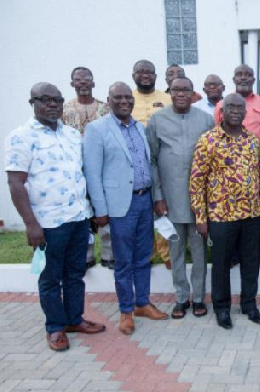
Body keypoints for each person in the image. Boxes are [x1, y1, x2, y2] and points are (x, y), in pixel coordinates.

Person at [6, 83, 105, 352]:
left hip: (77, 218)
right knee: (51, 278)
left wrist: (91, 213)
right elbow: (16, 183)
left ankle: (74, 319)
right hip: (48, 223)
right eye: (45, 99)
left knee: (75, 273)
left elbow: (82, 174)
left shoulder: (72, 135)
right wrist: (30, 224)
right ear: (33, 102)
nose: (52, 104)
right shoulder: (22, 136)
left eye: (57, 100)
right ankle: (55, 328)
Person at [84, 82, 168, 335]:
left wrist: (155, 198)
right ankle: (125, 311)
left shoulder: (139, 128)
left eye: (127, 97)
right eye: (117, 97)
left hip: (144, 200)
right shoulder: (96, 130)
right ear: (108, 100)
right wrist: (100, 209)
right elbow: (92, 172)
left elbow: (146, 163)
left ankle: (143, 303)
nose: (123, 101)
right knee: (124, 261)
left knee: (144, 257)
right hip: (120, 204)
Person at [190, 93, 260, 329]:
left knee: (251, 262)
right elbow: (197, 181)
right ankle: (222, 308)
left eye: (240, 107)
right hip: (221, 216)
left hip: (252, 214)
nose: (235, 111)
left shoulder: (252, 140)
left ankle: (249, 304)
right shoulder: (208, 140)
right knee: (222, 265)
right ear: (222, 112)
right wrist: (201, 218)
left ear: (246, 113)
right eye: (230, 107)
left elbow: (258, 176)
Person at [147, 77, 214, 319]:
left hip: (199, 201)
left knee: (199, 252)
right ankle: (180, 298)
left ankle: (198, 298)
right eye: (176, 89)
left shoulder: (205, 119)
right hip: (170, 200)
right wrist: (157, 196)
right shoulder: (157, 120)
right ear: (170, 92)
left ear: (193, 92)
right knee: (176, 251)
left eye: (186, 89)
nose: (181, 93)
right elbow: (152, 160)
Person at [214, 65, 260, 269]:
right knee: (231, 210)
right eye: (240, 74)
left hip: (258, 165)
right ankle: (232, 255)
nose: (243, 78)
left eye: (248, 75)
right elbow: (216, 132)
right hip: (228, 167)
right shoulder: (222, 104)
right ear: (233, 78)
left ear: (254, 79)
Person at [62, 66, 114, 270]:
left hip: (103, 170)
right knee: (83, 213)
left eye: (87, 79)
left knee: (105, 211)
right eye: (78, 79)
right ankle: (86, 255)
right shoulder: (64, 110)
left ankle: (110, 254)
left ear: (93, 83)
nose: (83, 82)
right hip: (76, 171)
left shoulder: (104, 109)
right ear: (72, 84)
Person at [130, 59, 172, 269]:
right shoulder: (127, 99)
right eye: (141, 72)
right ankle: (148, 252)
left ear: (156, 76)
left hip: (162, 159)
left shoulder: (167, 98)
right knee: (143, 211)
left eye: (150, 72)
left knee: (163, 207)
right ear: (133, 76)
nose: (145, 75)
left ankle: (167, 253)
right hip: (135, 163)